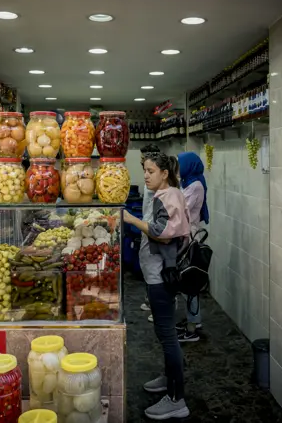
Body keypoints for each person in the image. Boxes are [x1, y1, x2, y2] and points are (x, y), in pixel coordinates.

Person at [124, 152, 191, 421]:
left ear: (165, 173)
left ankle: (177, 399)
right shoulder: (159, 195)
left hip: (163, 277)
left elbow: (163, 234)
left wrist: (131, 220)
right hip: (155, 274)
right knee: (163, 334)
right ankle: (168, 377)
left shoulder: (170, 195)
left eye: (151, 171)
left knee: (167, 335)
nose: (147, 175)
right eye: (145, 171)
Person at [175, 151, 209, 342]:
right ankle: (193, 319)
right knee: (187, 281)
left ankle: (192, 328)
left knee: (190, 282)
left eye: (180, 165)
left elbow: (182, 209)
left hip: (190, 237)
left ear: (189, 165)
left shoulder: (195, 185)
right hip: (186, 235)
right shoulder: (188, 181)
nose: (178, 169)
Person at [138, 144, 160, 319]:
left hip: (153, 227)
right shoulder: (150, 180)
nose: (146, 174)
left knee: (155, 270)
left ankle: (159, 308)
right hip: (147, 223)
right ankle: (151, 301)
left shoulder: (160, 185)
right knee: (147, 265)